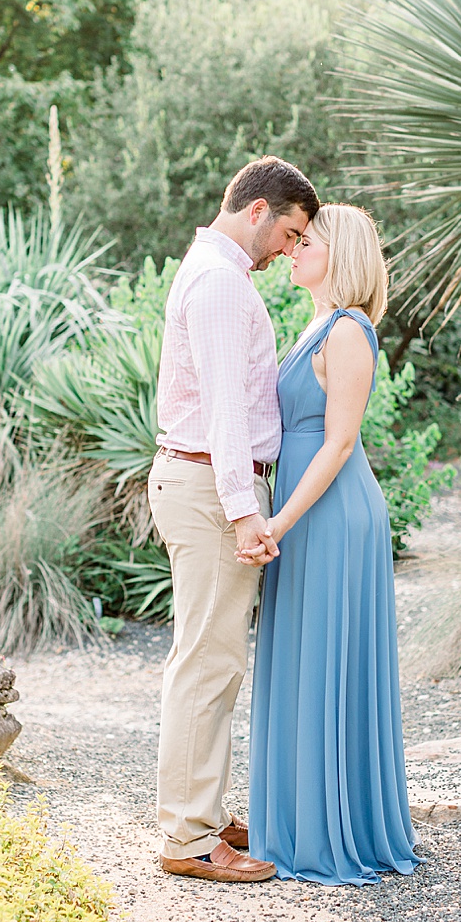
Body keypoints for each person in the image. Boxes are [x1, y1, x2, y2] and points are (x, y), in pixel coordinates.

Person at [148, 156, 318, 883]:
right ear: (257, 211)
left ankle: (206, 814)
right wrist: (246, 512)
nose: (289, 248)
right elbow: (222, 409)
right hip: (209, 485)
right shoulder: (219, 283)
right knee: (207, 662)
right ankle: (188, 838)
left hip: (200, 481)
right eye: (289, 230)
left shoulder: (220, 275)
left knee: (213, 658)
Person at [242, 204, 420, 885]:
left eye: (304, 241)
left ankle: (331, 828)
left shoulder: (349, 329)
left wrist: (279, 522)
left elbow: (340, 440)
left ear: (337, 254)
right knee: (300, 660)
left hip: (331, 514)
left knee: (327, 662)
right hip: (301, 509)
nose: (292, 249)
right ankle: (294, 820)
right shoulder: (313, 325)